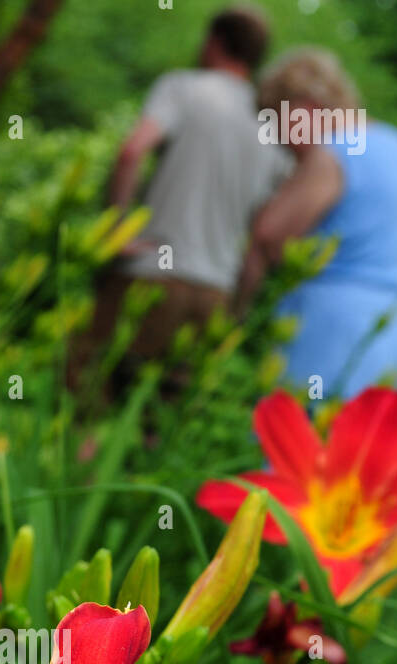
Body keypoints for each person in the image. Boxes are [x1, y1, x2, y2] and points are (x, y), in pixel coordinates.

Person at [72, 5, 285, 384]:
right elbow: (269, 222)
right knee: (161, 417)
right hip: (216, 290)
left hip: (152, 272)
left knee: (89, 388)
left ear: (215, 41)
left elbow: (132, 151)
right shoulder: (269, 121)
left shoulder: (184, 87)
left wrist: (117, 229)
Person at [238, 48, 397, 405]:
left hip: (331, 338)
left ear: (302, 108)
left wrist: (235, 320)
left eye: (277, 124)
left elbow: (269, 236)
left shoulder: (334, 151)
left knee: (301, 447)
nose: (283, 146)